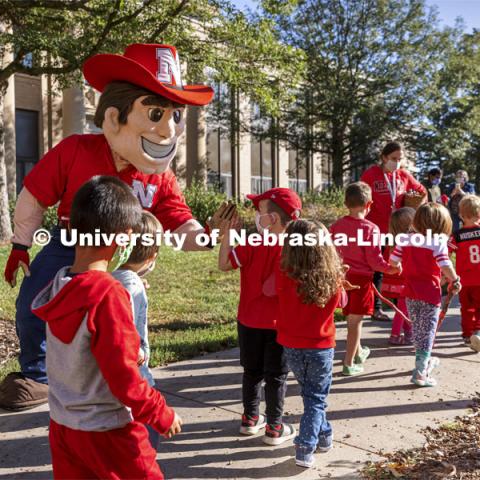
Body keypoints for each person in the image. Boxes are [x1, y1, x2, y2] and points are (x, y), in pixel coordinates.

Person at [1, 43, 235, 411]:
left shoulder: (161, 176)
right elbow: (35, 194)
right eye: (156, 113)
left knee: (121, 317)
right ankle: (38, 375)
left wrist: (207, 236)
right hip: (73, 242)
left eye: (174, 116)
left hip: (128, 256)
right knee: (35, 300)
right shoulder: (75, 149)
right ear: (114, 117)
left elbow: (177, 220)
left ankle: (129, 372)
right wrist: (20, 244)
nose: (168, 130)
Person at [31, 176, 181, 479]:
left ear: (72, 230)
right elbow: (124, 379)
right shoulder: (107, 294)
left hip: (64, 427)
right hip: (109, 431)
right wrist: (160, 413)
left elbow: (84, 349)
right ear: (124, 238)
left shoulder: (60, 284)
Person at [218, 188, 302, 445]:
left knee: (251, 372)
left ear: (273, 218)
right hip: (280, 324)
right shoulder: (296, 248)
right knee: (276, 376)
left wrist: (228, 236)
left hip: (248, 320)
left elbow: (224, 264)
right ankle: (275, 427)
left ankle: (250, 419)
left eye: (260, 211)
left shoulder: (251, 242)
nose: (256, 216)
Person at [275, 219, 344, 468]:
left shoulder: (282, 272)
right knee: (315, 398)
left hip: (291, 344)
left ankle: (324, 435)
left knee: (310, 394)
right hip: (320, 346)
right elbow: (342, 303)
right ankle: (305, 446)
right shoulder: (332, 277)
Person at [330, 182, 400, 376]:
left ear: (346, 203)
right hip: (361, 280)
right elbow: (374, 260)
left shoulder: (336, 226)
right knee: (355, 323)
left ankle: (359, 352)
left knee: (350, 317)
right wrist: (391, 269)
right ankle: (348, 363)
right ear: (369, 204)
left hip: (342, 277)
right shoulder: (371, 228)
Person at [389, 203, 461, 387]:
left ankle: (423, 360)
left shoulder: (404, 239)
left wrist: (403, 267)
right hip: (429, 292)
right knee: (428, 330)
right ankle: (420, 372)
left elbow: (394, 261)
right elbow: (445, 265)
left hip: (410, 292)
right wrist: (454, 279)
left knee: (419, 329)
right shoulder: (437, 242)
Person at [112, 211, 162, 449]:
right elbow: (124, 329)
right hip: (136, 380)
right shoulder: (132, 286)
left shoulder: (110, 276)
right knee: (144, 444)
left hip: (111, 384)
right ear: (152, 256)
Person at [361, 141, 426, 321]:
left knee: (400, 267)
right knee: (377, 269)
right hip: (376, 229)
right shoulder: (371, 174)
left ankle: (401, 307)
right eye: (393, 159)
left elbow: (422, 191)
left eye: (399, 159)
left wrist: (415, 203)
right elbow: (360, 195)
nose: (396, 162)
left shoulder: (403, 175)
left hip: (398, 230)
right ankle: (376, 308)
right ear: (383, 157)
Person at [448, 195, 480, 352]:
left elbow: (446, 252)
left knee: (466, 308)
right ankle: (478, 332)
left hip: (464, 281)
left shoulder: (457, 235)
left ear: (460, 214)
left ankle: (467, 336)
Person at [382, 207, 415, 345]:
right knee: (402, 310)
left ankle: (408, 333)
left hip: (394, 281)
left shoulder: (392, 242)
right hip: (405, 282)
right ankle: (395, 335)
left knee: (404, 308)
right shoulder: (409, 242)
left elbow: (385, 261)